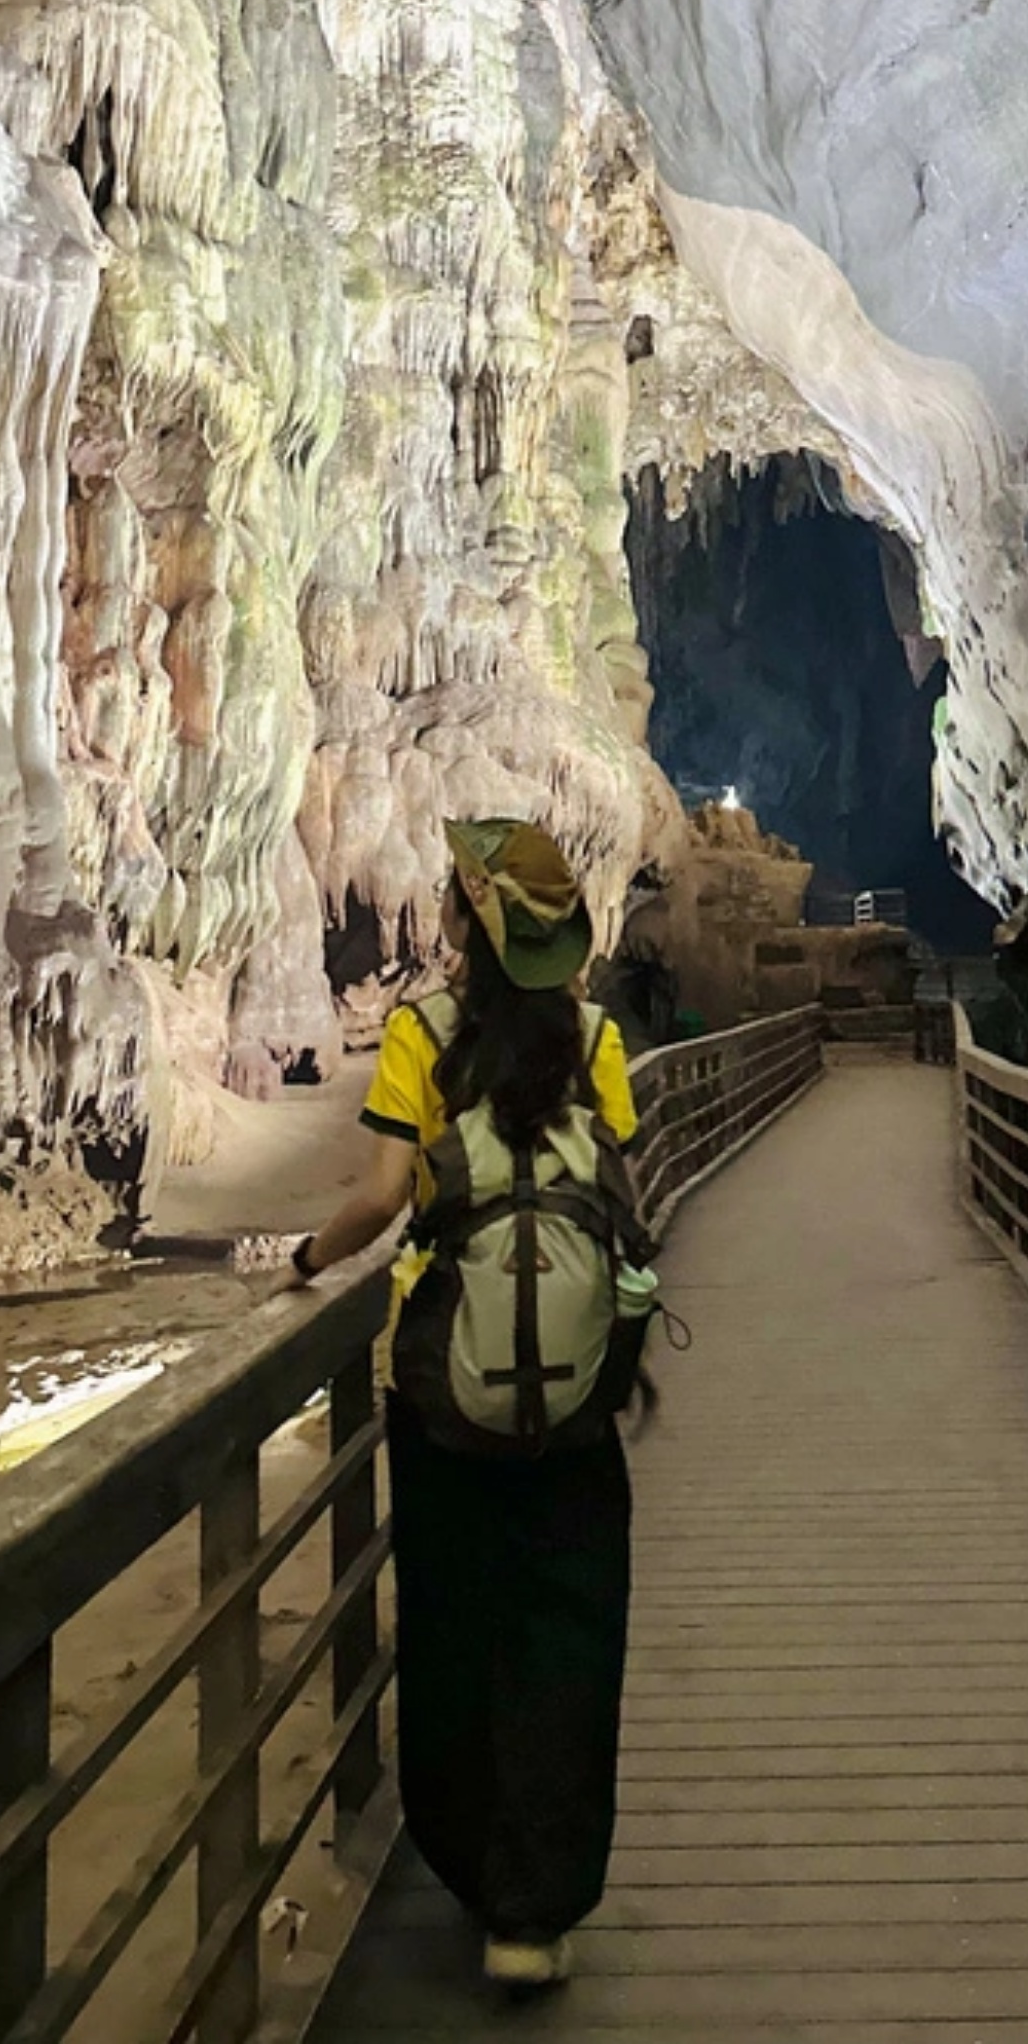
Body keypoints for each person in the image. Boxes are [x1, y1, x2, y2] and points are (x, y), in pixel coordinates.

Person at [287, 819, 649, 1991]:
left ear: (460, 929)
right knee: (568, 1631)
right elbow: (620, 1191)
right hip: (579, 1396)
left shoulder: (421, 1036)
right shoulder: (595, 1039)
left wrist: (304, 1260)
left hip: (443, 1386)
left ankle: (467, 1858)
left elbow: (384, 1195)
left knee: (452, 1623)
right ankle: (533, 1912)